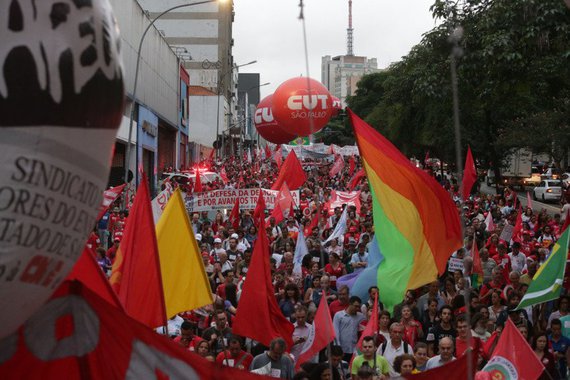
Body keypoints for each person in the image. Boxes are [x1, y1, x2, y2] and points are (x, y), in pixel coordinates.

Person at [333, 296, 366, 362]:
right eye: (356, 306)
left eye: (359, 307)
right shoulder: (339, 315)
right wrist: (338, 349)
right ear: (350, 304)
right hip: (342, 350)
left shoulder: (360, 316)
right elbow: (335, 333)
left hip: (354, 351)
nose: (357, 308)